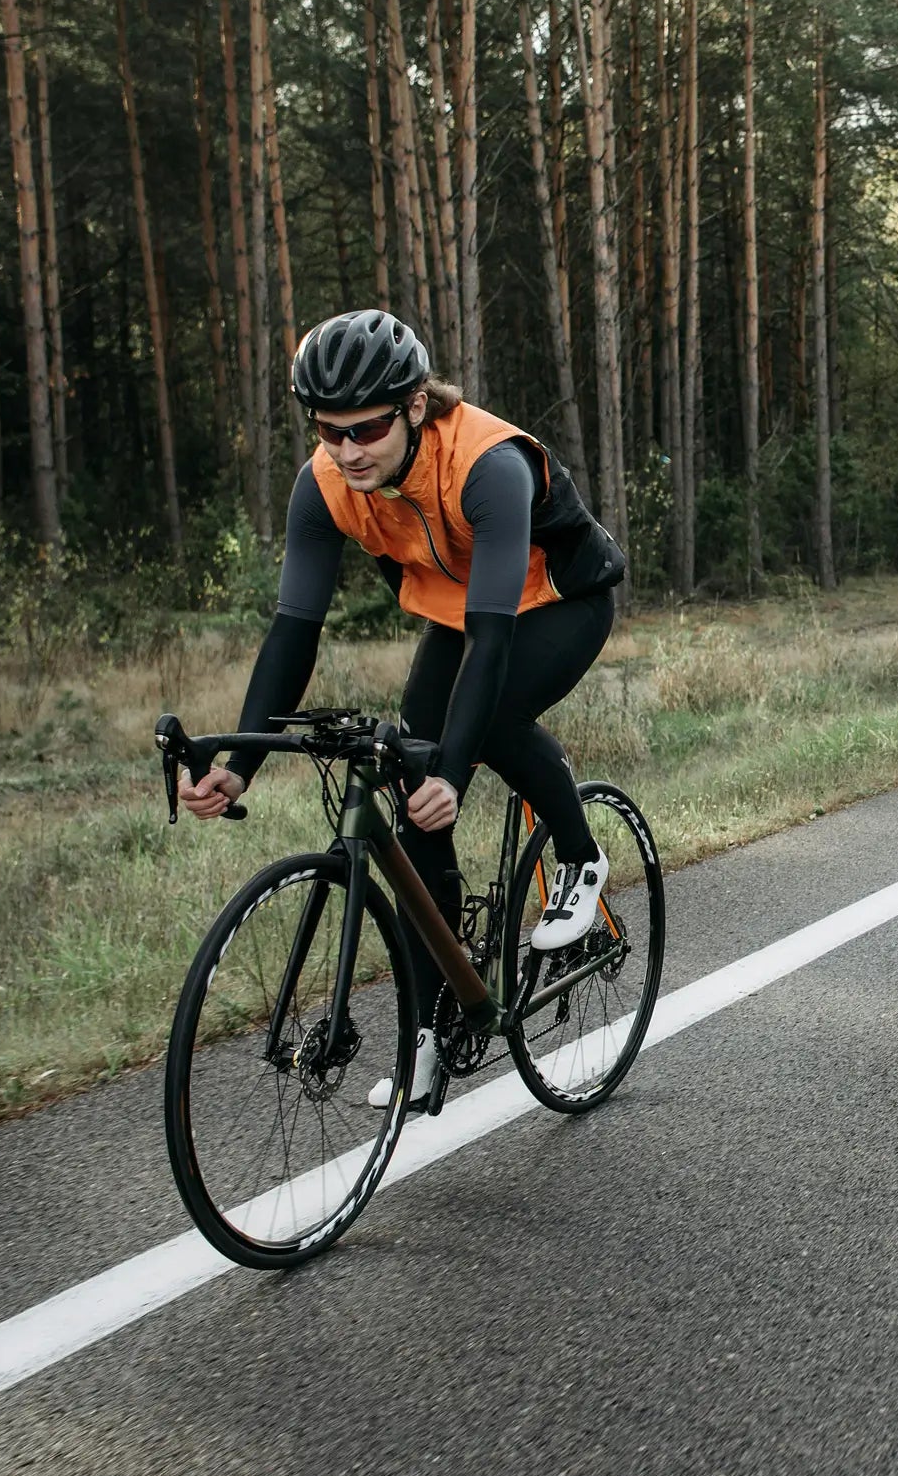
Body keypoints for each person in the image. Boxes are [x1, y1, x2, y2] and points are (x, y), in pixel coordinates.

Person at [180, 309, 625, 1113]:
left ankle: (581, 859)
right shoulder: (324, 484)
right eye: (329, 431)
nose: (349, 451)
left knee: (473, 730)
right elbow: (293, 631)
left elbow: (491, 647)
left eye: (368, 429)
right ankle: (434, 1026)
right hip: (466, 608)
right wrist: (236, 767)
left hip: (561, 599)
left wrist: (455, 769)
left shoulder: (487, 465)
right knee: (415, 789)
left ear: (416, 405)